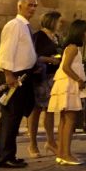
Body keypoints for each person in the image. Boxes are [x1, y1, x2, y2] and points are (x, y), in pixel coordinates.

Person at [0, 0, 38, 168]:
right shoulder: (15, 25)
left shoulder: (25, 27)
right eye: (29, 5)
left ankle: (2, 154)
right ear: (19, 6)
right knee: (11, 117)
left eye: (35, 6)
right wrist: (9, 75)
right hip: (15, 77)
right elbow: (6, 50)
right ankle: (6, 156)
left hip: (23, 75)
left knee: (12, 117)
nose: (32, 8)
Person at [48, 19, 86, 165]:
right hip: (68, 85)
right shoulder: (73, 48)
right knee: (69, 121)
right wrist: (79, 80)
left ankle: (61, 153)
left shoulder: (70, 48)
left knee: (64, 121)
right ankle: (66, 154)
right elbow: (66, 67)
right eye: (85, 30)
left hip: (65, 84)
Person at [28, 11, 63, 158]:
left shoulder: (57, 37)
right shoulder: (38, 36)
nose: (61, 24)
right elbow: (32, 56)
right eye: (59, 21)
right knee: (35, 110)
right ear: (52, 21)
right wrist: (49, 59)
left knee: (50, 110)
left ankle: (50, 141)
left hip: (53, 77)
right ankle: (32, 144)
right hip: (40, 77)